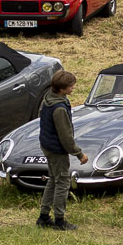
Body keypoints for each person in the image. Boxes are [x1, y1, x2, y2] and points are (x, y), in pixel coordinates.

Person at [36, 70, 84, 231]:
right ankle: (59, 220)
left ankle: (43, 216)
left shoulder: (48, 99)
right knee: (62, 182)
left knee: (53, 179)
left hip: (47, 145)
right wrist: (79, 153)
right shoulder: (59, 109)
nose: (73, 88)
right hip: (57, 149)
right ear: (62, 89)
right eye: (71, 86)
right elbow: (66, 137)